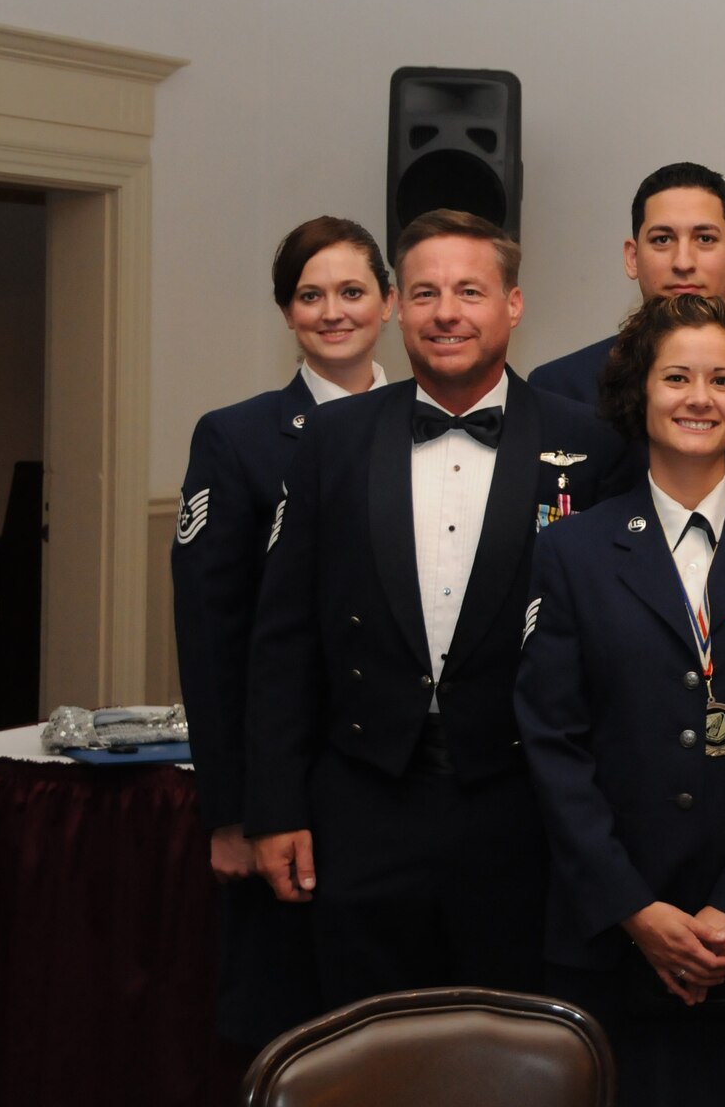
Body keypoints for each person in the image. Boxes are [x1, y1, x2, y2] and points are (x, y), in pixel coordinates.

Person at [242, 209, 619, 1007]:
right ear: (396, 307)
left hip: (526, 806)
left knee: (514, 1044)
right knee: (368, 1041)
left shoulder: (593, 445)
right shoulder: (333, 439)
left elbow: (618, 650)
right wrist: (272, 808)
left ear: (513, 304)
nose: (447, 312)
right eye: (425, 293)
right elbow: (283, 637)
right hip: (364, 804)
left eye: (470, 291)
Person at [515, 294, 725, 1107]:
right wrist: (634, 908)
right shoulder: (572, 550)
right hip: (610, 932)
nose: (699, 398)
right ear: (639, 392)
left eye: (721, 380)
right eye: (676, 378)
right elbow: (552, 742)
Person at [171, 215, 391, 1046]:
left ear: (388, 302)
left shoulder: (430, 424)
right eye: (310, 295)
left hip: (403, 785)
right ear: (286, 313)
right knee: (297, 1025)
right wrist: (231, 811)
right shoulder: (238, 437)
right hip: (289, 781)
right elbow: (212, 634)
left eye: (352, 291)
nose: (333, 312)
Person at [529, 161, 725, 492]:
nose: (683, 262)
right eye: (662, 239)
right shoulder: (559, 389)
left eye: (705, 238)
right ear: (632, 257)